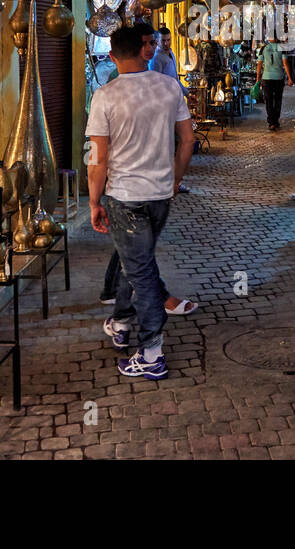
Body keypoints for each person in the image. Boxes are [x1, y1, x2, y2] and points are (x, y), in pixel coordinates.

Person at [87, 25, 196, 379]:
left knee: (142, 273)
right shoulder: (168, 87)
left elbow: (98, 159)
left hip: (125, 197)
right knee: (136, 261)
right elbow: (187, 140)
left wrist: (93, 200)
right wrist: (176, 178)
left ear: (114, 56)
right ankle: (120, 322)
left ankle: (151, 352)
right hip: (161, 194)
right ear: (143, 50)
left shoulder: (105, 95)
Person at [257, 38, 292, 130]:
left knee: (268, 100)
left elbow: (259, 64)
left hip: (266, 78)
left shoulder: (263, 48)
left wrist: (257, 79)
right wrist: (289, 77)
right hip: (278, 78)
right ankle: (275, 121)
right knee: (277, 100)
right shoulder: (281, 48)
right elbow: (285, 63)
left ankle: (271, 122)